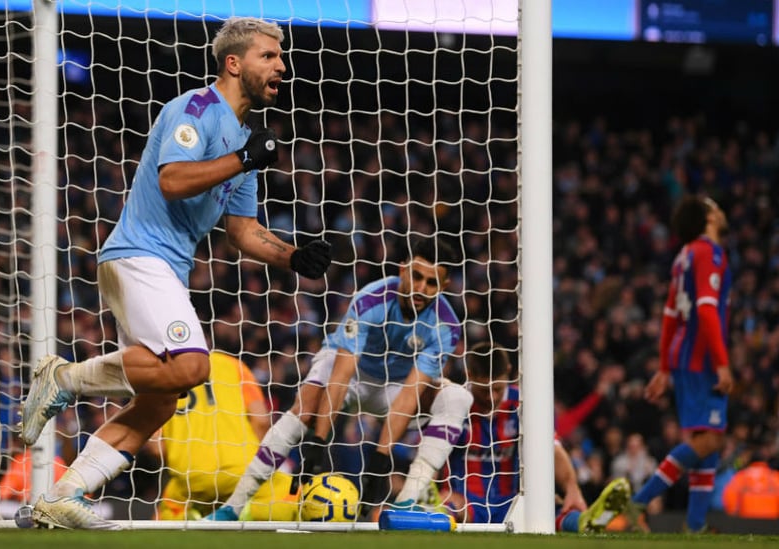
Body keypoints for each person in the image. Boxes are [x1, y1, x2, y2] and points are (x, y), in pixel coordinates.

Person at [18, 17, 332, 530]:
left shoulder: (247, 138)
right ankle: (66, 378)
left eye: (281, 56)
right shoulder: (196, 109)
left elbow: (243, 230)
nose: (282, 65)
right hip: (140, 254)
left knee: (161, 400)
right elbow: (172, 179)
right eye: (269, 56)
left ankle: (64, 494)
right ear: (234, 63)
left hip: (164, 266)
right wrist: (240, 159)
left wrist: (293, 256)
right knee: (191, 368)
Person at [207, 237, 473, 520]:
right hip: (352, 374)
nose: (421, 288)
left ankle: (406, 504)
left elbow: (410, 392)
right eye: (416, 276)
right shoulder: (371, 300)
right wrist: (318, 442)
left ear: (443, 287)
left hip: (395, 388)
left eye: (431, 283)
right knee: (306, 404)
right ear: (403, 269)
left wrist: (381, 461)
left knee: (457, 397)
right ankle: (231, 508)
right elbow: (342, 374)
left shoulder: (446, 325)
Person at [626, 195, 732, 534]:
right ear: (707, 219)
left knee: (706, 437)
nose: (720, 209)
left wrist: (663, 366)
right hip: (702, 357)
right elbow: (705, 308)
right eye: (714, 206)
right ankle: (639, 502)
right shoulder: (708, 252)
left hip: (684, 354)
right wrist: (722, 362)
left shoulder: (683, 256)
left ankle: (695, 524)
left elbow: (670, 314)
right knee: (711, 439)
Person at [443, 342, 631, 532]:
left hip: (512, 501)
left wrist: (572, 488)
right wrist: (438, 490)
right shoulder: (454, 403)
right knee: (447, 508)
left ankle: (585, 521)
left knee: (549, 510)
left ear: (509, 371)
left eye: (498, 388)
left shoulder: (523, 402)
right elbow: (432, 449)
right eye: (484, 389)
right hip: (466, 503)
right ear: (470, 375)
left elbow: (553, 448)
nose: (491, 396)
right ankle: (434, 508)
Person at [147, 350, 295, 520]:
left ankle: (195, 516)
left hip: (190, 478)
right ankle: (247, 514)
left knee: (164, 514)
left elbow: (156, 447)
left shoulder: (157, 376)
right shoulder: (232, 365)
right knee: (293, 494)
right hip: (244, 469)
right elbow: (260, 420)